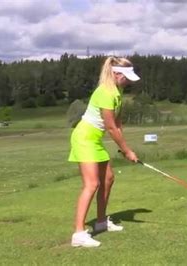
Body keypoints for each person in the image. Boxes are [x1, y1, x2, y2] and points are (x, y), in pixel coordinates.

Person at [68, 56, 140, 247]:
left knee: (108, 179)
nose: (128, 81)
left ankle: (100, 223)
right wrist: (127, 151)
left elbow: (117, 123)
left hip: (95, 140)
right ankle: (78, 234)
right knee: (91, 184)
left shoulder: (118, 91)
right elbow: (110, 127)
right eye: (126, 76)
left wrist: (122, 147)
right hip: (84, 138)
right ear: (116, 74)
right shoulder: (105, 93)